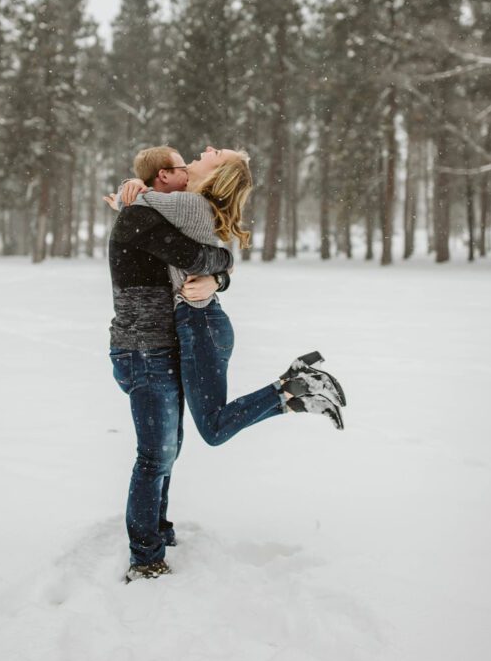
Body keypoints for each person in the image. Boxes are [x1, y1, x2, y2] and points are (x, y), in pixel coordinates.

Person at [114, 145, 346, 451]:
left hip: (200, 325)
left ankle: (296, 383)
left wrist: (127, 191)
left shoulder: (190, 204)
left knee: (214, 428)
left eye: (217, 153)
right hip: (203, 323)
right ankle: (295, 400)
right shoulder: (187, 205)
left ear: (216, 173)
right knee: (213, 424)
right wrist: (221, 276)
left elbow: (135, 206)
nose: (208, 148)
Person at [107, 145, 234, 583]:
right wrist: (223, 264)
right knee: (155, 455)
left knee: (168, 449)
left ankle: (157, 529)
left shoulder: (155, 210)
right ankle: (145, 558)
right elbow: (198, 258)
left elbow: (200, 257)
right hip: (142, 350)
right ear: (164, 176)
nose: (187, 173)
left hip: (162, 347)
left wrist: (221, 274)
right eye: (181, 169)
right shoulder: (139, 216)